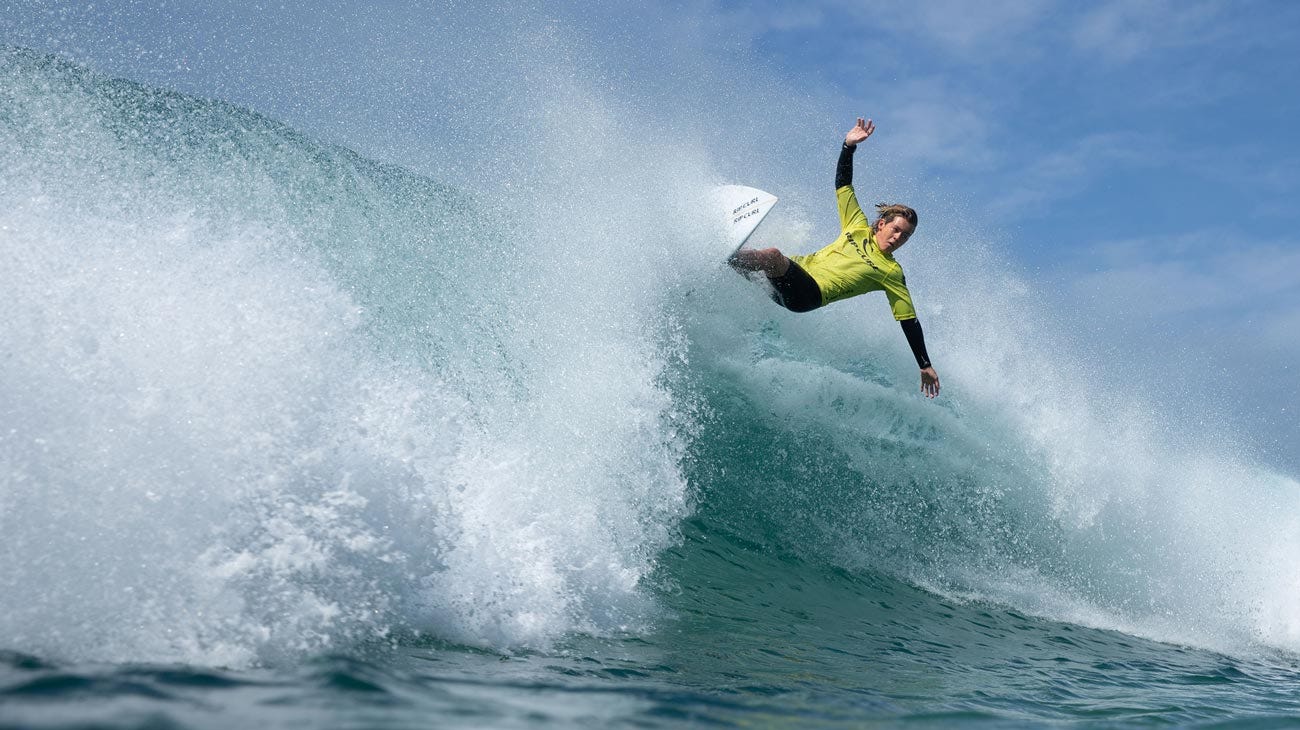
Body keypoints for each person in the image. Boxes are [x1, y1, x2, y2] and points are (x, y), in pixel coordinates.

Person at [729, 117, 941, 398]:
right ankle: (718, 265)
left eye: (905, 236)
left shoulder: (891, 272)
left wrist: (924, 364)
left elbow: (909, 320)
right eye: (896, 230)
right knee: (756, 266)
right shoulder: (855, 224)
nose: (898, 238)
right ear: (882, 224)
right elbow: (844, 184)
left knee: (772, 256)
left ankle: (724, 256)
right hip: (787, 283)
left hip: (808, 296)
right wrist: (848, 146)